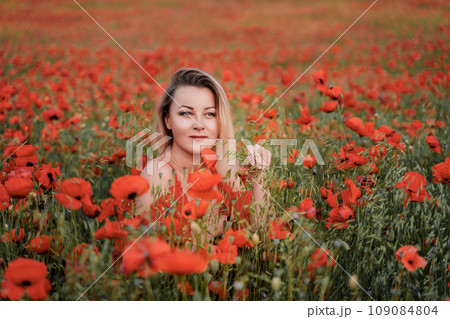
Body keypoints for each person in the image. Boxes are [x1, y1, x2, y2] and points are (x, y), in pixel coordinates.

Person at [135, 68, 272, 248]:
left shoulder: (223, 167)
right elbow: (151, 254)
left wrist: (258, 178)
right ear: (168, 120)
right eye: (186, 113)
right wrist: (219, 226)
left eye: (209, 114)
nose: (199, 125)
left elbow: (263, 238)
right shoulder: (156, 175)